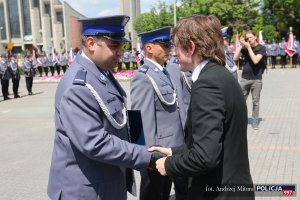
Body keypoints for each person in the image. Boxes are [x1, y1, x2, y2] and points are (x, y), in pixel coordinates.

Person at [47, 15, 161, 200]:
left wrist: (142, 146)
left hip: (105, 181)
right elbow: (95, 142)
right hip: (86, 190)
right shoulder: (78, 86)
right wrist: (146, 156)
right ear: (91, 43)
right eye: (114, 46)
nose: (120, 52)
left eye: (121, 46)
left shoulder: (100, 73)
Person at [149, 15, 254, 199]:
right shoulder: (221, 75)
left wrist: (169, 164)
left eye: (177, 47)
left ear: (190, 47)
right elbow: (214, 141)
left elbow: (205, 157)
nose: (174, 54)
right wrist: (174, 151)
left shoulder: (207, 85)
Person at [131, 26, 188, 200]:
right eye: (164, 45)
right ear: (149, 48)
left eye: (169, 45)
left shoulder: (171, 69)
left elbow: (183, 105)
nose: (169, 49)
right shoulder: (143, 76)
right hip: (159, 153)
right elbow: (138, 120)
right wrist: (146, 157)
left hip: (179, 148)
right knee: (156, 195)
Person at [233, 30, 267, 130]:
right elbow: (235, 58)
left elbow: (256, 60)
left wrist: (248, 48)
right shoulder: (245, 47)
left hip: (256, 79)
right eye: (247, 38)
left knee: (255, 102)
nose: (249, 40)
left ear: (255, 37)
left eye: (251, 37)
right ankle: (240, 120)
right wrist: (240, 45)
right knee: (240, 101)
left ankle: (255, 121)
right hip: (244, 78)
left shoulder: (261, 48)